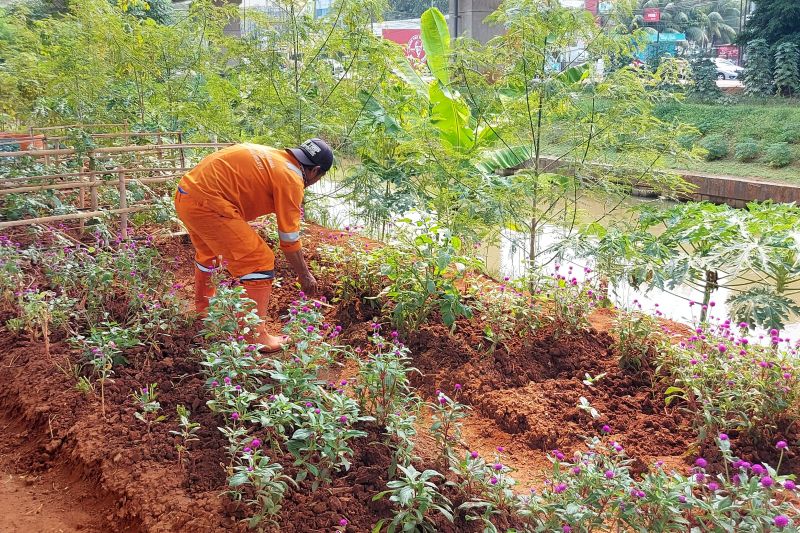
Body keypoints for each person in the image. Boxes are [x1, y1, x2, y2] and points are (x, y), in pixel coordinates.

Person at [174, 138, 333, 352]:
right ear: (315, 171)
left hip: (186, 194)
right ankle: (255, 337)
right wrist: (304, 275)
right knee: (260, 260)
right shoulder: (291, 178)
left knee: (208, 252)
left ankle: (205, 312)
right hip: (208, 204)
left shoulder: (275, 157)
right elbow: (289, 239)